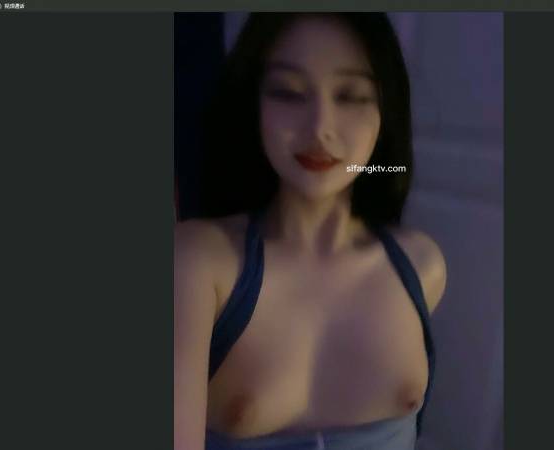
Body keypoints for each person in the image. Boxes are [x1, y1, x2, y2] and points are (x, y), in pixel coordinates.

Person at [174, 13, 447, 450]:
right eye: (288, 92)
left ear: (385, 111)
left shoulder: (421, 265)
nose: (320, 127)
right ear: (253, 105)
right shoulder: (199, 261)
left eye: (351, 96)